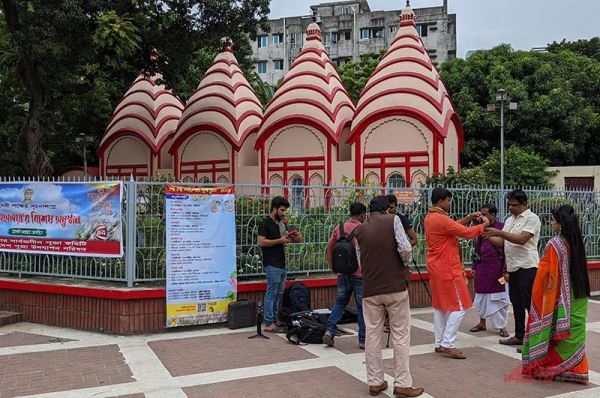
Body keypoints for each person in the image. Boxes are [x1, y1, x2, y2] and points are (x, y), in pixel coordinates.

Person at [354, 196, 423, 398]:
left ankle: (375, 382)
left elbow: (361, 261)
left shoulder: (359, 229)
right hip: (395, 286)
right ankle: (402, 383)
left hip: (370, 289)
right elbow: (405, 248)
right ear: (387, 210)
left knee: (372, 334)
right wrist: (405, 264)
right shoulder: (393, 220)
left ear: (370, 211)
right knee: (401, 335)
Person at [521, 205, 590, 384]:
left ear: (561, 224)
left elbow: (545, 274)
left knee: (556, 330)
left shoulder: (555, 244)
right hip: (579, 296)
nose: (550, 223)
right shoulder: (576, 242)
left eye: (552, 220)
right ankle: (577, 370)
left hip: (560, 298)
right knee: (575, 332)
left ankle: (553, 368)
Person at [424, 188, 489, 359]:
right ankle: (447, 343)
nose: (450, 203)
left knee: (440, 306)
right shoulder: (441, 218)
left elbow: (451, 228)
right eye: (449, 200)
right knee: (460, 306)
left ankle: (440, 342)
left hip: (436, 267)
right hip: (447, 268)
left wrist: (467, 219)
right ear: (441, 202)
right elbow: (467, 234)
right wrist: (484, 225)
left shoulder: (430, 217)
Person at [485, 189, 541, 346]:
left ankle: (535, 339)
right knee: (516, 302)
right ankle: (519, 335)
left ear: (524, 204)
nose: (510, 207)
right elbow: (503, 242)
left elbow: (522, 239)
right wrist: (487, 235)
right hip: (513, 267)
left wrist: (499, 233)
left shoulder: (532, 218)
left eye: (514, 205)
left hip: (527, 266)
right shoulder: (510, 220)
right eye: (509, 204)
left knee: (529, 304)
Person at [322, 202, 367, 349]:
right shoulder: (362, 229)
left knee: (340, 302)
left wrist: (333, 266)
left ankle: (329, 330)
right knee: (361, 307)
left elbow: (329, 246)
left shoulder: (339, 228)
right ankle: (362, 340)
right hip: (359, 274)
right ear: (361, 215)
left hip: (342, 273)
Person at [257, 196, 302, 333]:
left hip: (283, 263)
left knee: (278, 293)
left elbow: (287, 239)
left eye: (285, 210)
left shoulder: (282, 223)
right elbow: (261, 242)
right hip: (272, 263)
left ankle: (275, 320)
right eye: (282, 210)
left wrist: (296, 237)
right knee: (271, 293)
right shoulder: (265, 223)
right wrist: (280, 241)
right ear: (275, 208)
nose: (284, 213)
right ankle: (269, 322)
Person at [469, 204, 510, 337]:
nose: (482, 216)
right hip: (482, 267)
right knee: (481, 297)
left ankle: (502, 326)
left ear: (493, 215)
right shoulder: (480, 227)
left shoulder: (501, 226)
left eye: (485, 214)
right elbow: (477, 247)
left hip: (498, 267)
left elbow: (501, 243)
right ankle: (482, 323)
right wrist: (475, 266)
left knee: (499, 298)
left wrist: (486, 229)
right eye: (481, 213)